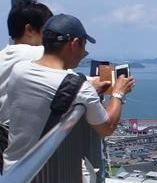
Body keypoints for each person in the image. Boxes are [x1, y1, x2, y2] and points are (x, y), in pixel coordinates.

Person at [1, 13, 135, 171]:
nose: (84, 53)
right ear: (74, 43)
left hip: (11, 171)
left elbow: (48, 94)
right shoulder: (79, 87)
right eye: (84, 46)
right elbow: (107, 127)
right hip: (41, 175)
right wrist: (118, 93)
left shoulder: (20, 70)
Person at [0, 0, 53, 172]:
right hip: (22, 143)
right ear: (29, 29)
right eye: (46, 31)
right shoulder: (37, 53)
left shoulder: (2, 56)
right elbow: (68, 77)